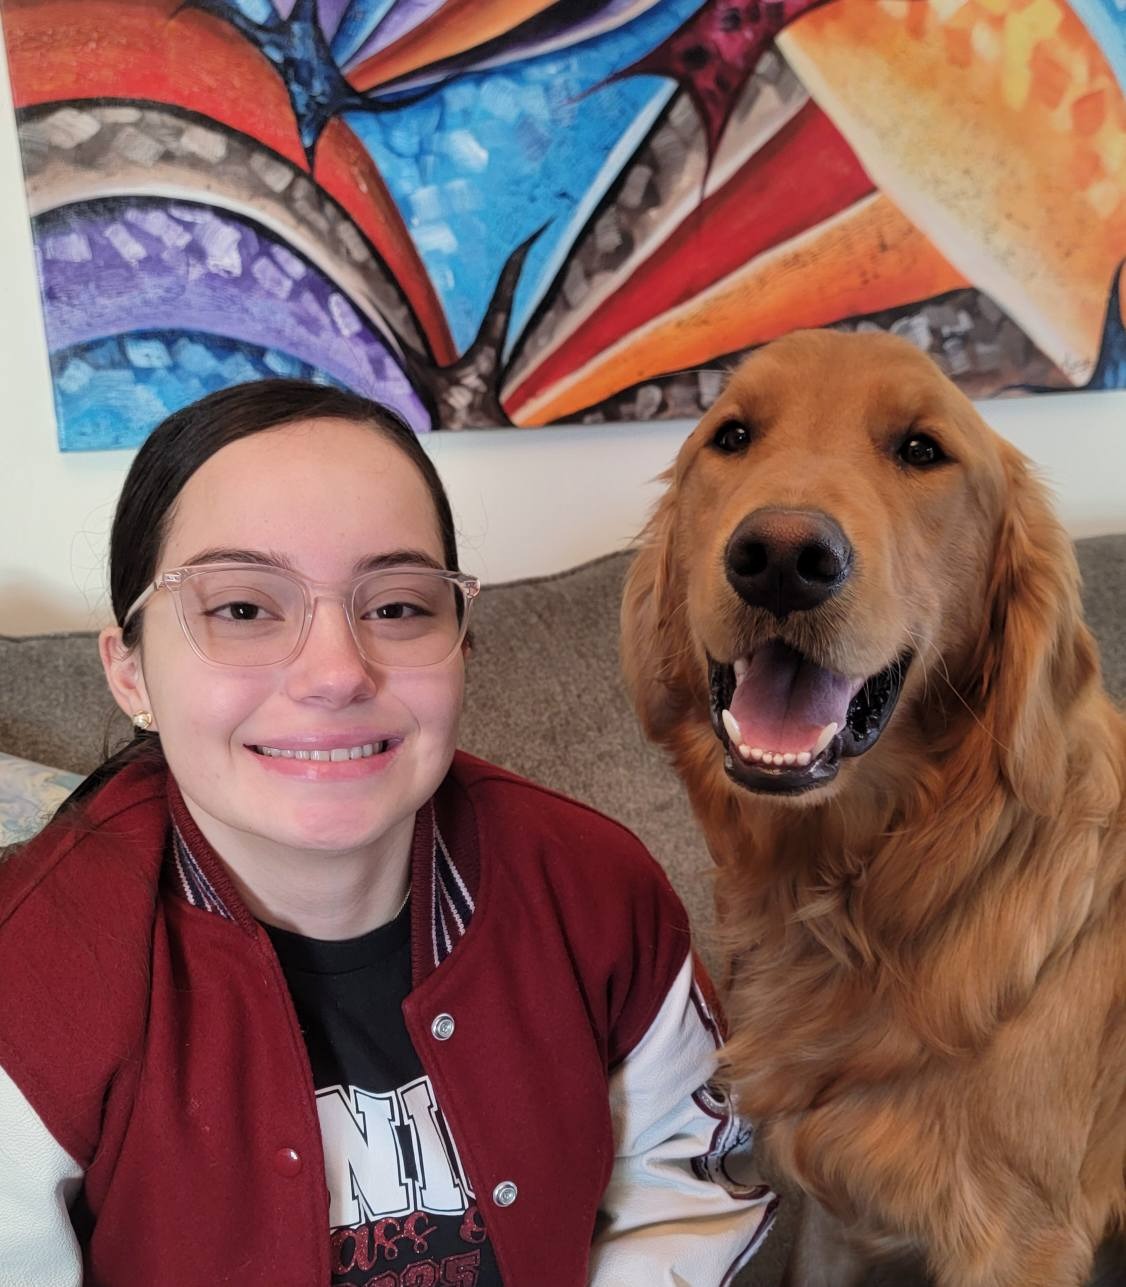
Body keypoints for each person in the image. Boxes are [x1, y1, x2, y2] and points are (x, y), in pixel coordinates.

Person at [0, 380, 776, 1286]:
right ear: (130, 673)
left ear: (462, 647)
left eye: (398, 606)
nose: (335, 672)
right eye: (244, 608)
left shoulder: (598, 888)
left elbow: (686, 1182)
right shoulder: (34, 967)